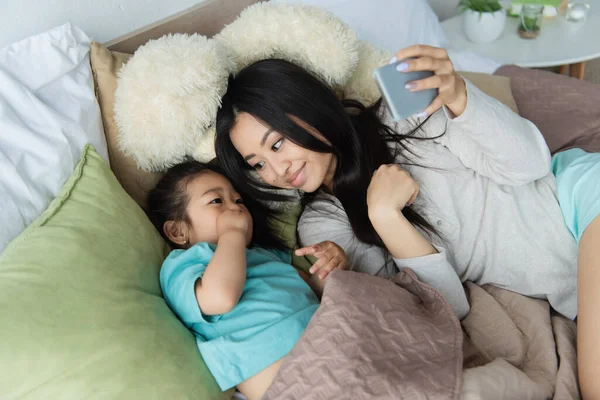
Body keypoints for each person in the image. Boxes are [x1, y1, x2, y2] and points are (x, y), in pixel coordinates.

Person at [214, 45, 600, 398]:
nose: (277, 169)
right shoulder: (323, 228)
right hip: (568, 287)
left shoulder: (400, 115)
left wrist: (461, 96)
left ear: (305, 107)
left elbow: (530, 165)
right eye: (258, 164)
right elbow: (445, 307)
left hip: (575, 199)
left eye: (277, 143)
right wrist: (385, 216)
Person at [146, 161, 346, 400]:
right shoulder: (184, 264)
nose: (235, 208)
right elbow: (220, 297)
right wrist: (232, 234)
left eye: (239, 201)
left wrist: (331, 266)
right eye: (216, 201)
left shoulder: (264, 255)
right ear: (178, 232)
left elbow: (313, 291)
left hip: (330, 338)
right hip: (284, 372)